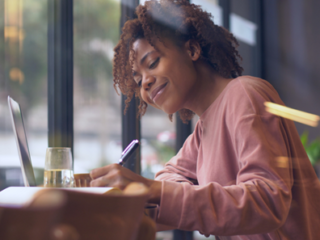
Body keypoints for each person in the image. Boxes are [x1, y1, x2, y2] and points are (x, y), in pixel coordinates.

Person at [89, 0, 320, 239]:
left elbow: (267, 202)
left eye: (153, 63)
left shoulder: (245, 95)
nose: (145, 83)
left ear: (191, 50)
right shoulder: (202, 132)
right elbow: (168, 179)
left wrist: (152, 191)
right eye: (138, 81)